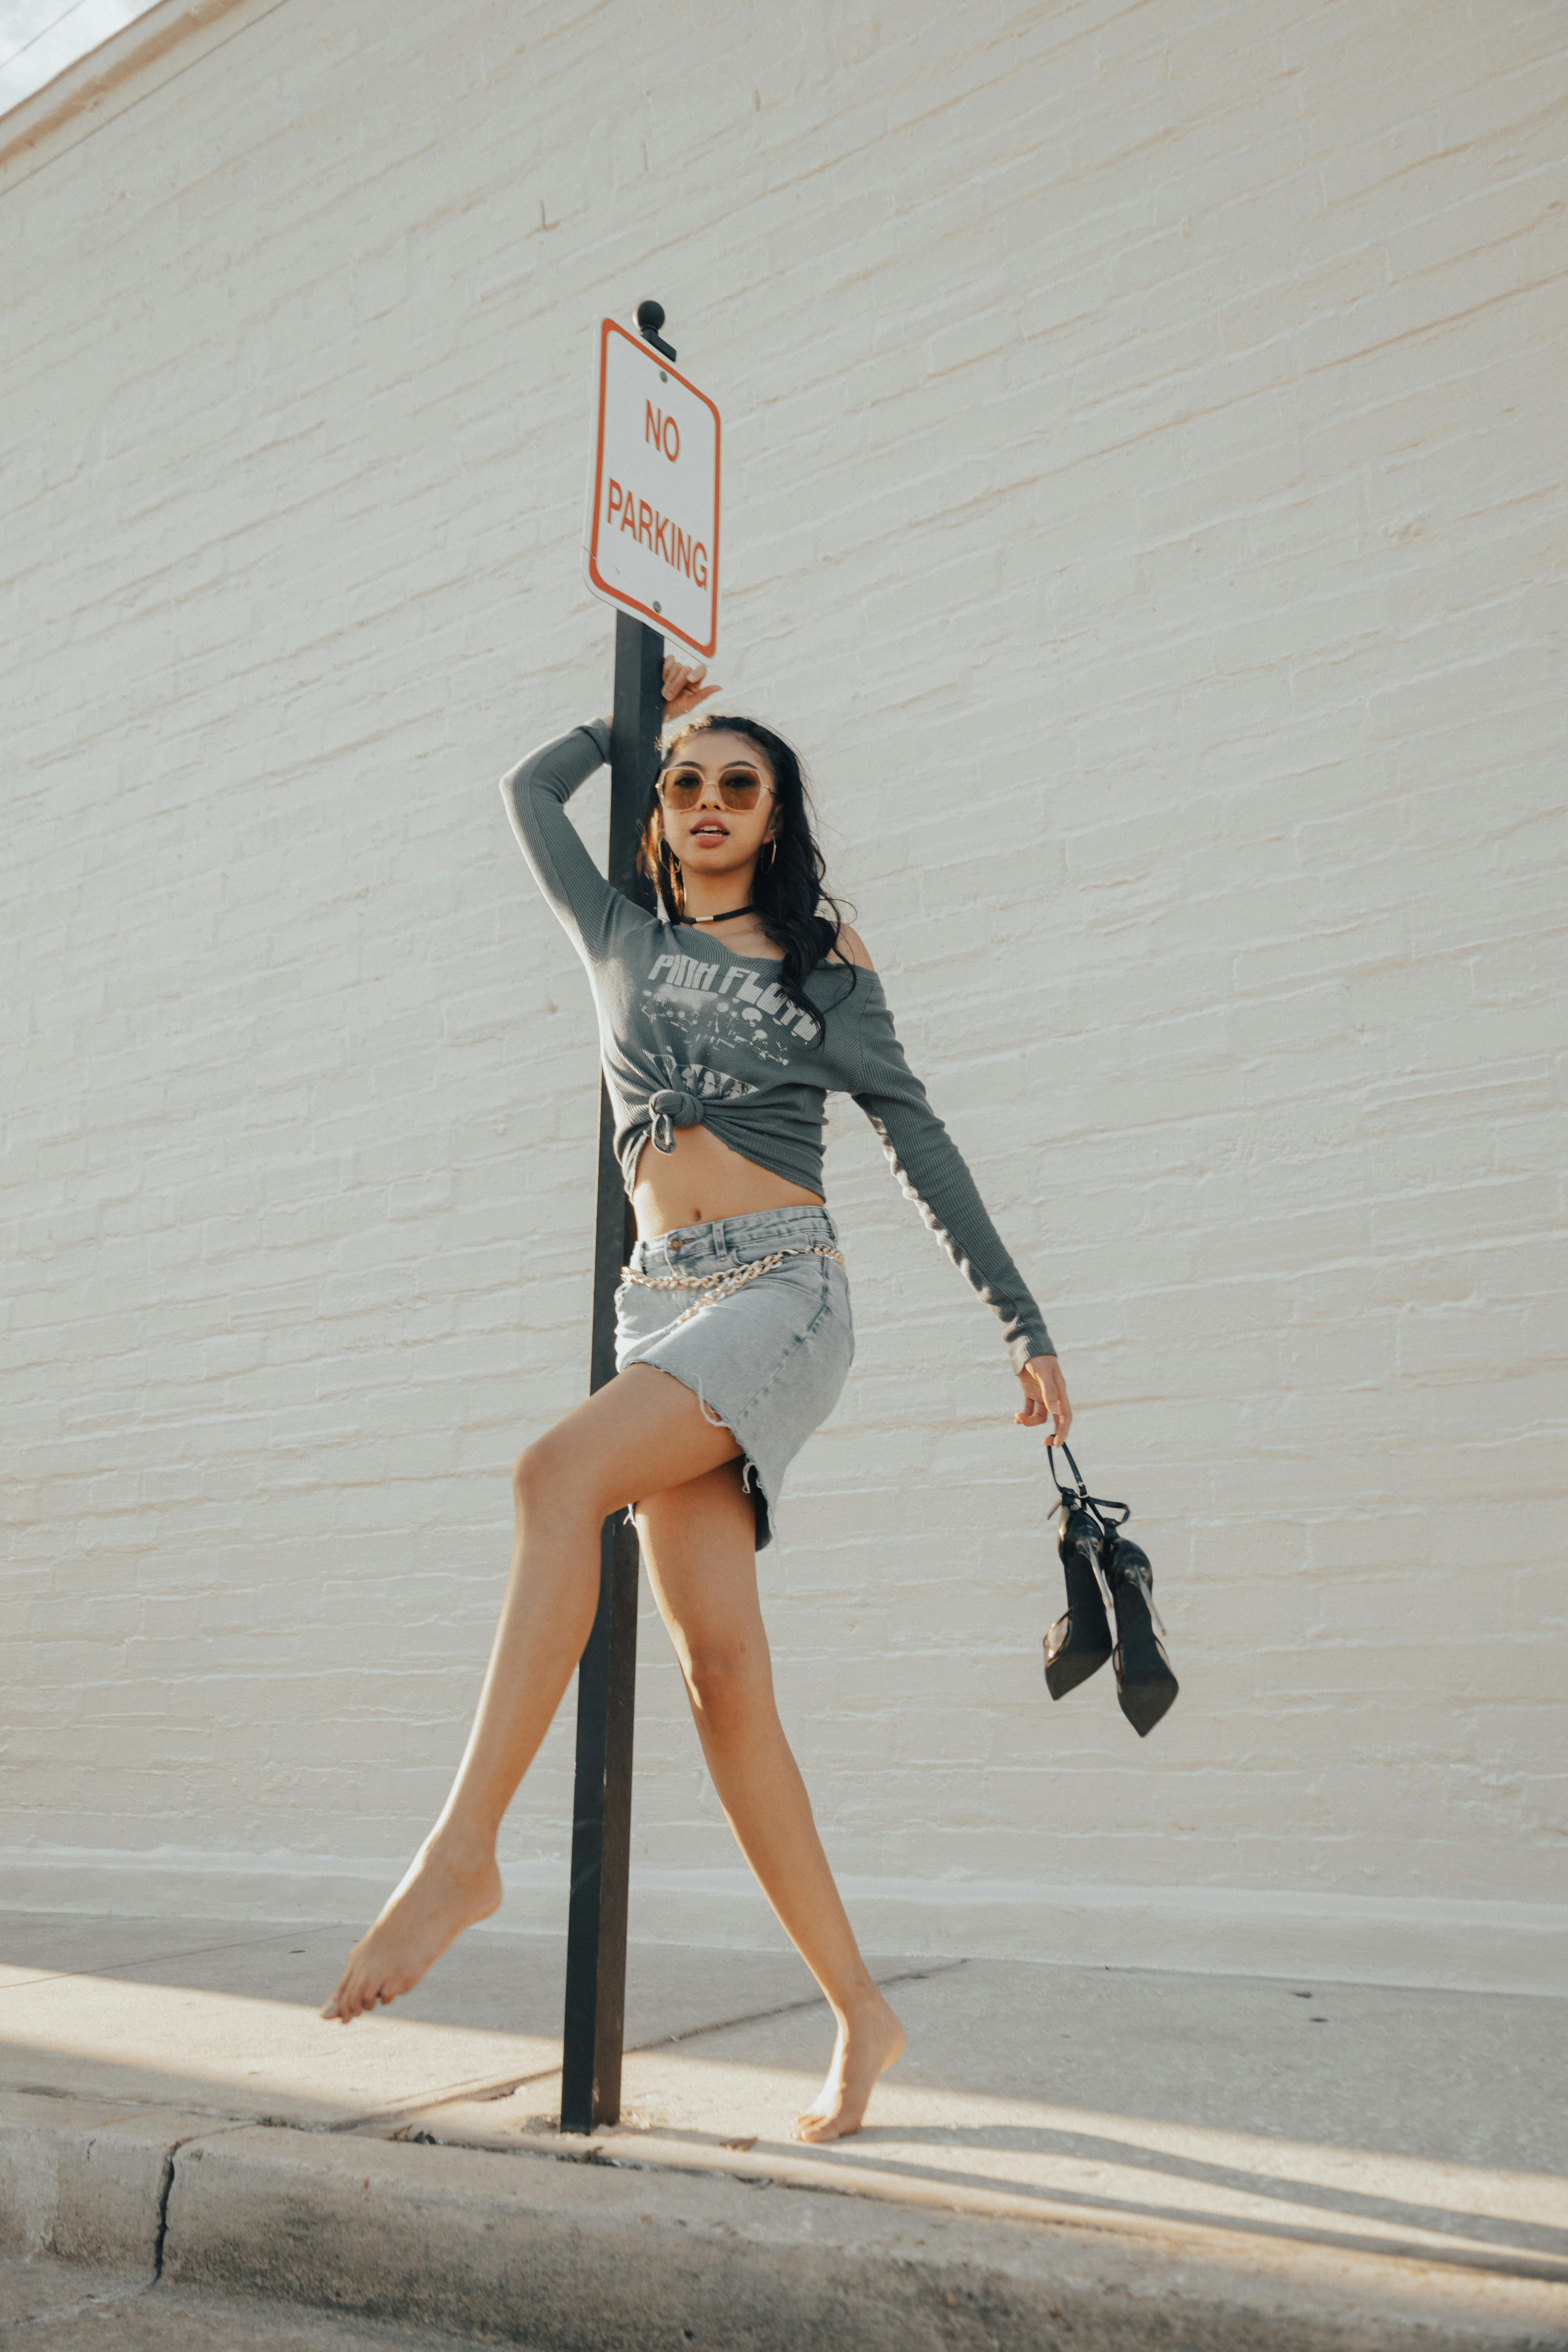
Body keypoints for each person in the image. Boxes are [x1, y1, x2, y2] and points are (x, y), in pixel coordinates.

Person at [322, 662, 1070, 2143]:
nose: (712, 802)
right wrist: (626, 724)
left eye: (742, 784)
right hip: (661, 1306)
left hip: (783, 1293)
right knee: (721, 1675)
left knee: (552, 1479)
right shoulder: (612, 932)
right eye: (687, 784)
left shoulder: (822, 965)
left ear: (777, 816)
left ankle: (463, 1854)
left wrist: (1020, 1319)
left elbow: (918, 1140)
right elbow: (524, 795)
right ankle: (862, 2013)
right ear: (657, 818)